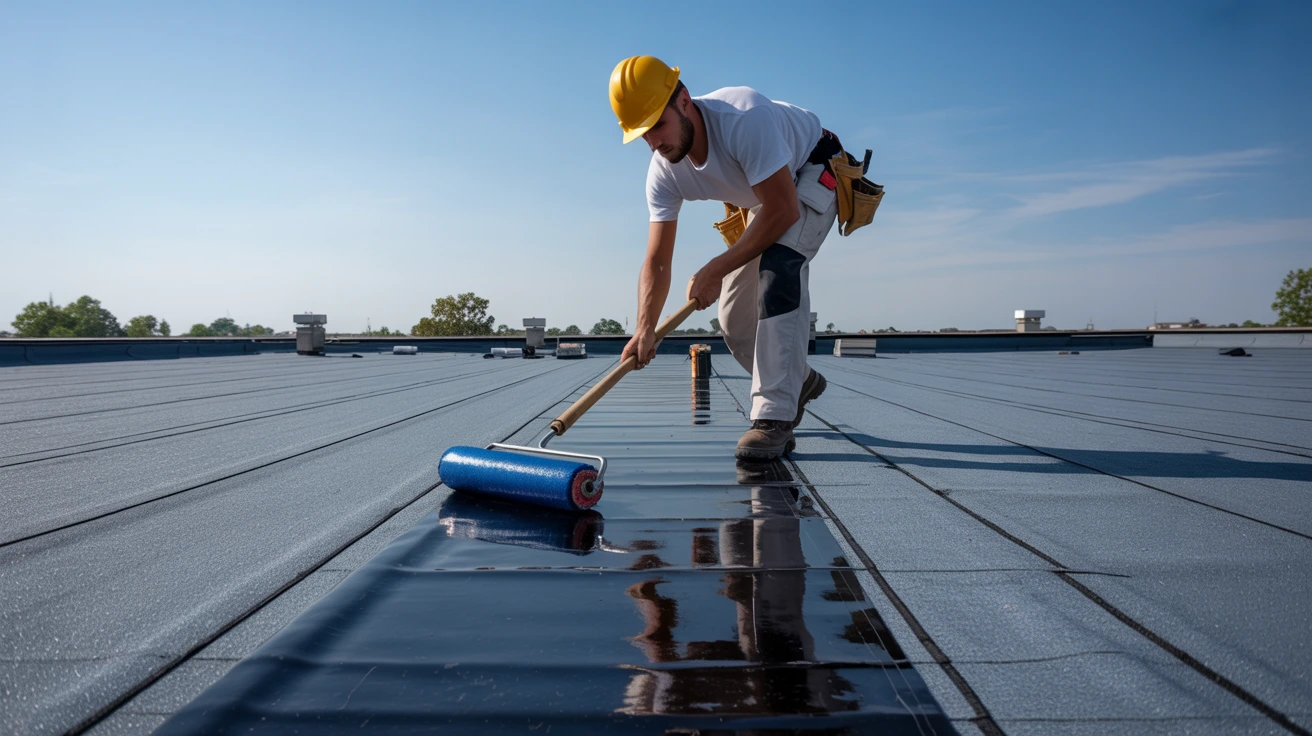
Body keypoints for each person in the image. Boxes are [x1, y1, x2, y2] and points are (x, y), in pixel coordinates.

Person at [611, 55, 839, 460]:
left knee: (779, 269)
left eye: (657, 125)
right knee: (734, 320)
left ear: (683, 100)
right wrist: (645, 328)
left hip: (811, 168)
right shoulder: (663, 170)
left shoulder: (743, 118)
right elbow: (657, 260)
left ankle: (774, 418)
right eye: (642, 134)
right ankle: (798, 381)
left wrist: (715, 268)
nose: (654, 142)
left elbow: (784, 209)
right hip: (766, 196)